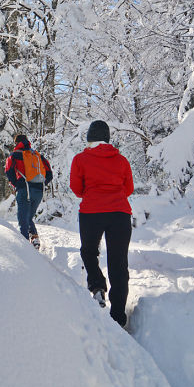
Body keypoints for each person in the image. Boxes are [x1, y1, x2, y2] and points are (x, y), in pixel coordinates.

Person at [69, 120, 134, 328]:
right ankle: (118, 317)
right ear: (107, 138)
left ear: (89, 137)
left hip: (91, 213)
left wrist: (94, 193)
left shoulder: (80, 159)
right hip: (120, 214)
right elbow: (129, 188)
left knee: (88, 252)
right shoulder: (122, 160)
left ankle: (97, 286)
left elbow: (77, 189)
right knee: (118, 263)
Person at [5, 134, 52, 247]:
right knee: (29, 216)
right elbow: (50, 174)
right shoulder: (37, 155)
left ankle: (25, 245)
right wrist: (41, 184)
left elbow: (8, 171)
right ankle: (35, 238)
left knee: (23, 217)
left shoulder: (15, 155)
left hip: (24, 189)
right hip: (39, 191)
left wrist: (17, 184)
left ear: (17, 143)